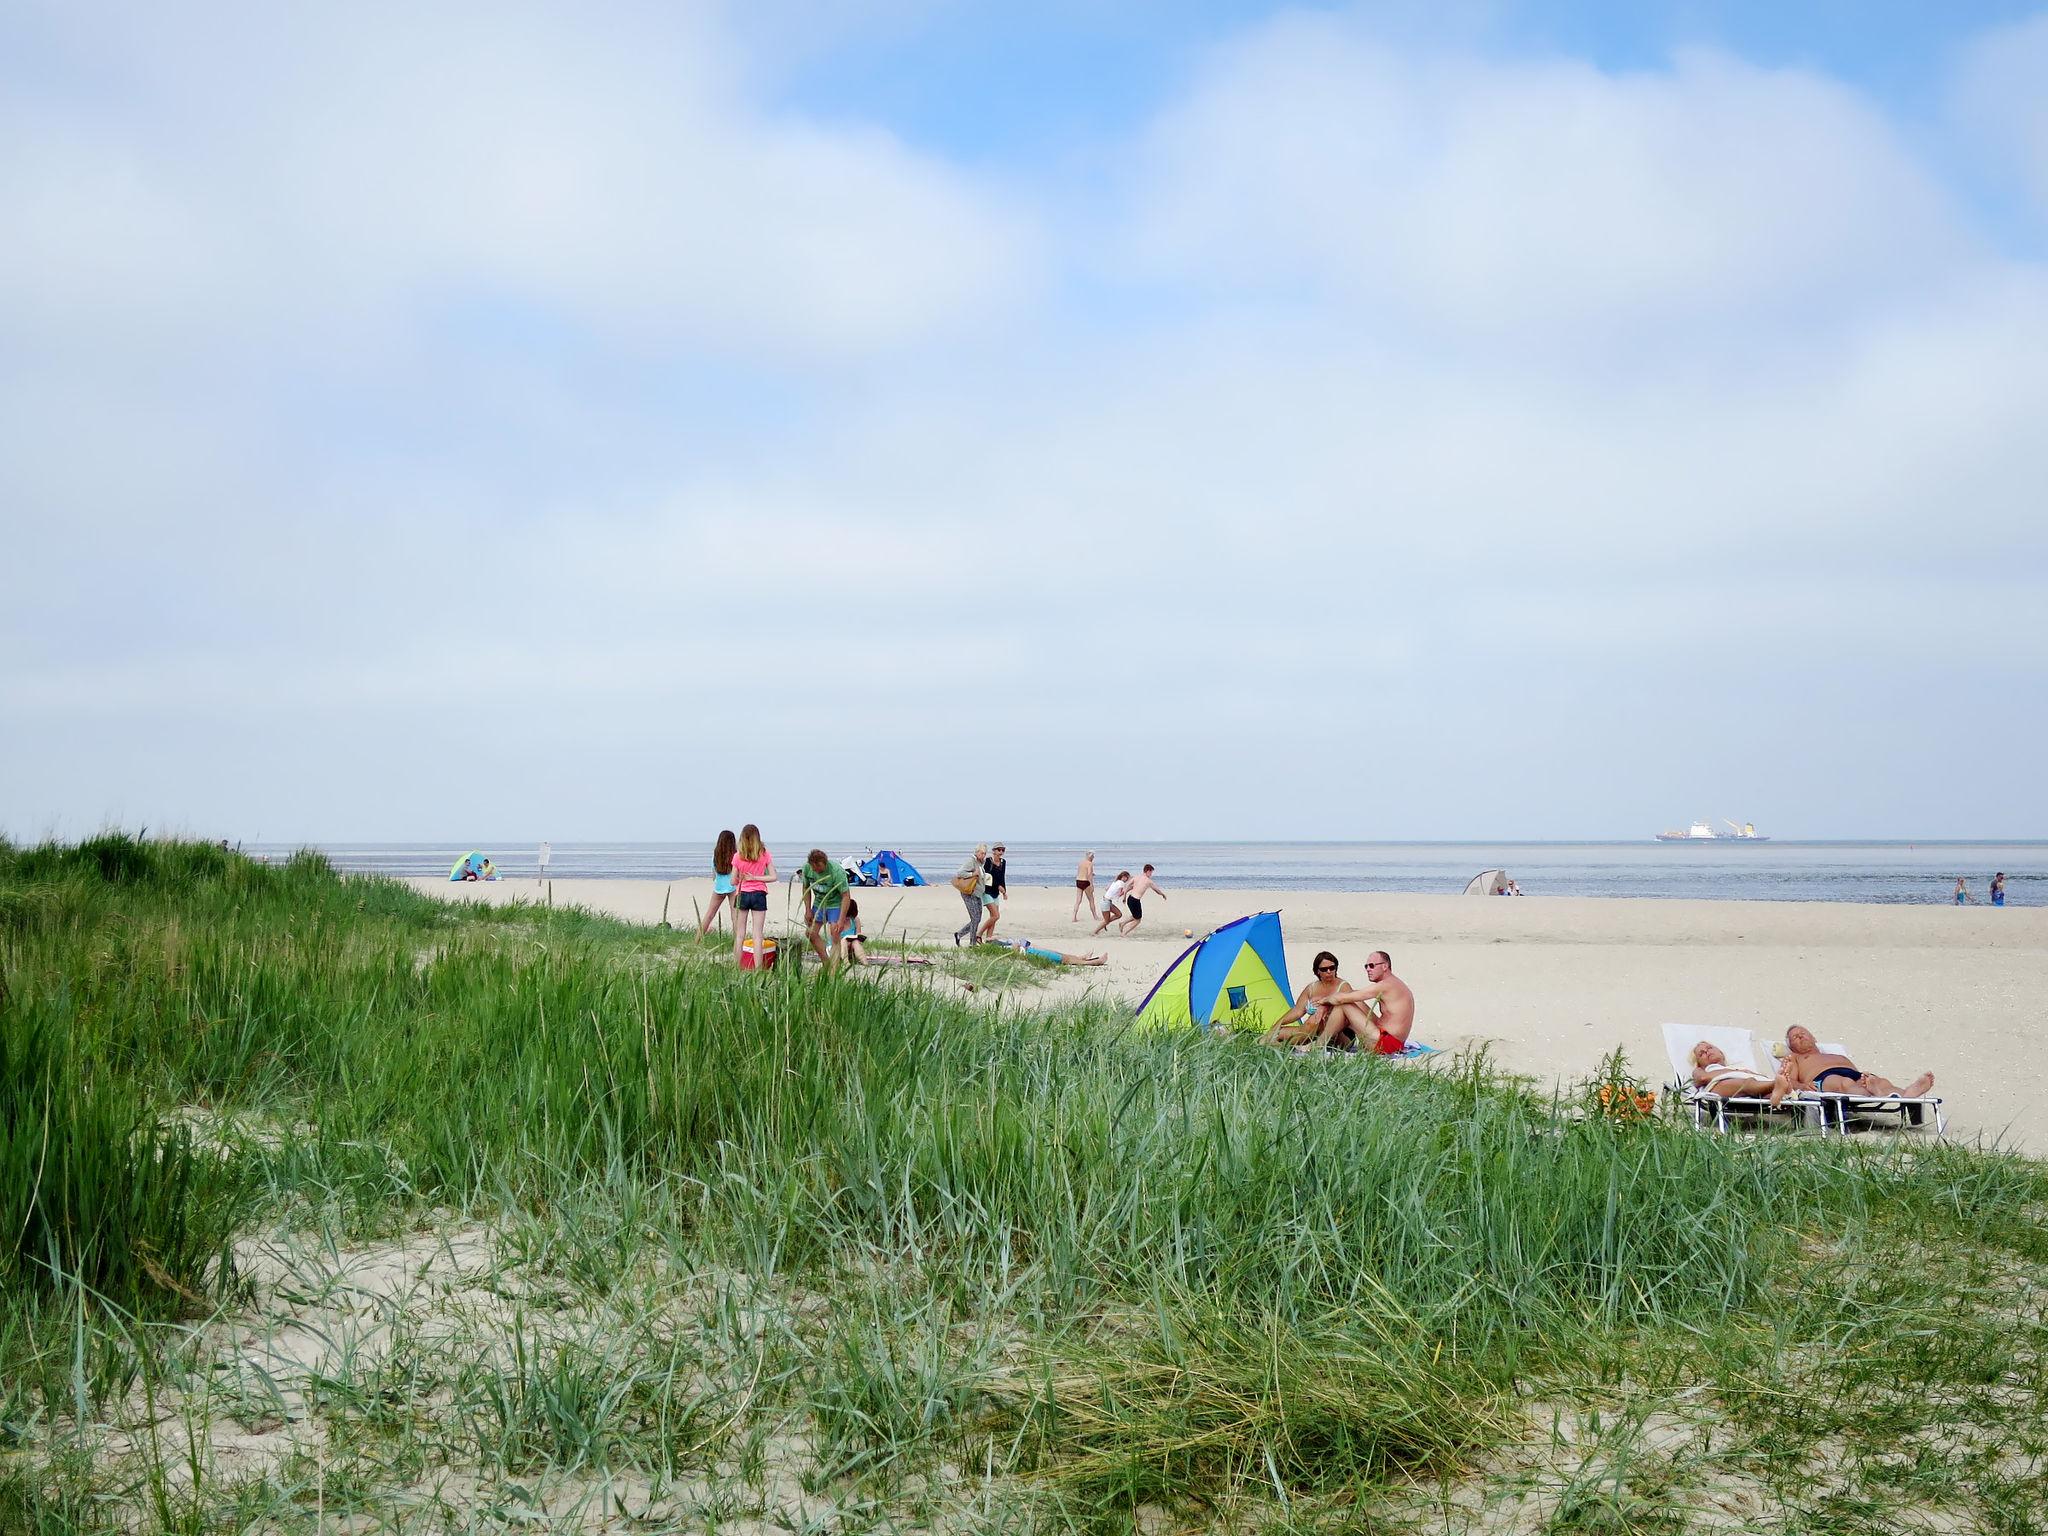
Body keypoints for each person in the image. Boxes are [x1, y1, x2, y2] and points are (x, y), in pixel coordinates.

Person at [1776, 1024, 1933, 1101]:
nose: (1800, 1036)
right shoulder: (1796, 1058)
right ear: (1791, 1047)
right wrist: (1803, 1086)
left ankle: (1907, 1094)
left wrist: (1864, 1080)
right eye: (1795, 1037)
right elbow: (1789, 1081)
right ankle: (1873, 1092)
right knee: (1844, 1083)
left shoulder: (1834, 1055)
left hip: (1853, 1073)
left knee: (1880, 1081)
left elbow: (1858, 1077)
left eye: (1803, 1033)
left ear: (1814, 1038)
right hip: (1823, 1077)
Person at [1302, 951, 1414, 1055]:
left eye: (1372, 966)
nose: (1368, 969)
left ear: (1385, 966)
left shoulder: (1385, 985)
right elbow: (1353, 995)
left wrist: (1322, 1002)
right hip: (1391, 1040)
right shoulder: (1394, 983)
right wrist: (1328, 1003)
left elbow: (1342, 999)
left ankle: (1318, 1044)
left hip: (1387, 1044)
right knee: (1353, 1001)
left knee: (1344, 1005)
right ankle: (1339, 1039)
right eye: (1366, 966)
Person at [1262, 951, 1351, 1048]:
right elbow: (1297, 1011)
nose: (1329, 971)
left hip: (1339, 1033)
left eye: (1332, 968)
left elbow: (1348, 1017)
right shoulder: (1312, 988)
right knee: (1278, 1032)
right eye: (1324, 969)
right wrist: (1277, 1024)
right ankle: (1286, 1043)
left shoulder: (1343, 987)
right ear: (1318, 971)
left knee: (1315, 1019)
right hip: (1311, 1030)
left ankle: (1287, 1045)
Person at [730, 824, 776, 967]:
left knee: (739, 934)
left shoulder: (738, 856)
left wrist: (744, 878)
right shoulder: (764, 854)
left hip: (742, 893)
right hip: (759, 894)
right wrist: (756, 877)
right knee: (757, 935)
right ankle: (758, 969)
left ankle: (737, 966)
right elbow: (773, 876)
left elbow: (733, 881)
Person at [841, 898, 932, 968]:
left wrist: (856, 937)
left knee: (855, 942)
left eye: (849, 916)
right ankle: (846, 963)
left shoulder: (855, 920)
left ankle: (865, 963)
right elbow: (831, 938)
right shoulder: (836, 920)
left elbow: (859, 934)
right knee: (843, 941)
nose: (847, 918)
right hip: (840, 946)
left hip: (852, 947)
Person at [801, 848, 853, 968]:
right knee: (810, 933)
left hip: (835, 904)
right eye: (814, 868)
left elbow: (846, 896)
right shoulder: (807, 869)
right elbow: (806, 889)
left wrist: (841, 920)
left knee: (834, 933)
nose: (816, 870)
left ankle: (834, 969)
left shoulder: (836, 872)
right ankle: (826, 961)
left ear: (825, 863)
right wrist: (807, 909)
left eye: (819, 867)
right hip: (819, 903)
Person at [1689, 1041, 1787, 1099]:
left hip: (1746, 1087)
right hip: (1717, 1088)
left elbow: (1761, 1078)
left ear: (1721, 1053)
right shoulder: (1700, 1070)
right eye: (1701, 1054)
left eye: (1709, 1048)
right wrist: (1737, 1073)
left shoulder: (1738, 1068)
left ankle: (1781, 1087)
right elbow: (1702, 1078)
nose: (1707, 1052)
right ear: (1699, 1064)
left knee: (1754, 1083)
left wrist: (1739, 1072)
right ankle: (1776, 1084)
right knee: (1747, 1083)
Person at [699, 829, 738, 936]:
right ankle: (736, 943)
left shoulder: (715, 856)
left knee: (709, 915)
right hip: (733, 887)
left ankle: (697, 939)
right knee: (735, 917)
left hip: (719, 887)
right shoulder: (735, 856)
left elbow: (714, 874)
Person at [953, 845, 987, 946]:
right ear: (976, 852)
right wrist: (972, 874)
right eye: (981, 853)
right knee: (975, 919)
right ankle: (972, 943)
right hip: (969, 893)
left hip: (977, 893)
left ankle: (959, 934)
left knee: (977, 919)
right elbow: (959, 873)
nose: (983, 855)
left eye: (984, 853)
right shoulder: (971, 861)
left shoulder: (980, 863)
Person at [1119, 864, 1167, 936]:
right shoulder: (1148, 881)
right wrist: (1163, 894)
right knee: (1138, 920)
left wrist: (1124, 897)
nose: (1151, 874)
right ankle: (1124, 933)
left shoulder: (1136, 877)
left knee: (1135, 916)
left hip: (1130, 899)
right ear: (1148, 871)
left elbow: (1127, 885)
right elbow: (1156, 890)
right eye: (1151, 872)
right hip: (1135, 901)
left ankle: (1122, 923)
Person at [977, 844, 1009, 942]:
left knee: (993, 918)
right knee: (996, 915)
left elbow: (1002, 877)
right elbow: (987, 877)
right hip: (987, 891)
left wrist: (1004, 891)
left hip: (996, 893)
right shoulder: (988, 862)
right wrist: (998, 886)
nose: (1001, 852)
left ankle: (989, 939)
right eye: (999, 850)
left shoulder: (1003, 862)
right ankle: (978, 934)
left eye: (1003, 850)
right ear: (994, 851)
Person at [1092, 872, 1132, 936]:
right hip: (1105, 902)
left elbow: (1106, 889)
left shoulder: (1116, 882)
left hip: (1107, 901)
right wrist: (1128, 889)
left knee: (1119, 914)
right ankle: (1095, 932)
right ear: (1124, 877)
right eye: (1127, 878)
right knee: (1106, 921)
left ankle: (1105, 923)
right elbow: (1119, 894)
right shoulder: (1121, 883)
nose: (1127, 880)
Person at [1013, 939, 1107, 966]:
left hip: (1024, 949)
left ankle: (1080, 958)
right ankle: (1092, 962)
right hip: (1024, 951)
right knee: (1062, 958)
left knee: (1056, 954)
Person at [1073, 850, 1097, 923]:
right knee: (1091, 900)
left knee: (1078, 900)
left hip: (1079, 881)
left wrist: (1091, 874)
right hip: (1086, 882)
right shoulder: (1090, 863)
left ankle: (1074, 917)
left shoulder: (1081, 863)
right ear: (1091, 856)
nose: (1093, 858)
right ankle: (1095, 916)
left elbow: (1080, 872)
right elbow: (1089, 874)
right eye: (1093, 856)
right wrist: (1091, 885)